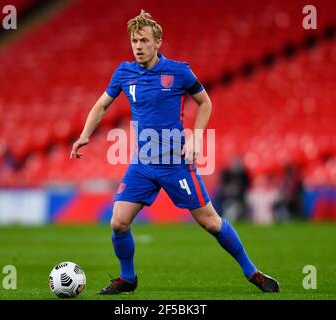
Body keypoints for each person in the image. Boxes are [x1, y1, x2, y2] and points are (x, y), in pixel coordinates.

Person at [70, 10, 280, 294]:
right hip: (142, 164)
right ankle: (127, 278)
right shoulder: (124, 72)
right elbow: (102, 105)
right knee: (118, 223)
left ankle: (252, 271)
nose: (138, 46)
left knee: (211, 222)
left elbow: (204, 102)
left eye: (144, 40)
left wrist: (195, 139)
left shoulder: (178, 71)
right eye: (134, 40)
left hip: (175, 164)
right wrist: (84, 135)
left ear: (158, 42)